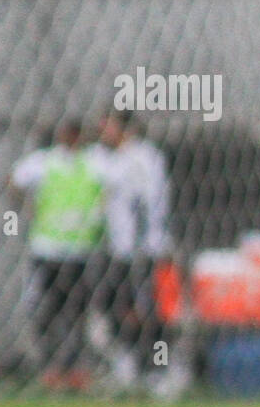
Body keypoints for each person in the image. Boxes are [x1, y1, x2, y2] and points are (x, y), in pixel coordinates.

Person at [10, 119, 107, 392]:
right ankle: (51, 367)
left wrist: (102, 210)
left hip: (81, 249)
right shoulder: (44, 161)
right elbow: (12, 180)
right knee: (47, 310)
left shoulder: (95, 161)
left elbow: (114, 185)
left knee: (77, 312)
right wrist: (26, 206)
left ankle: (75, 369)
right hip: (48, 248)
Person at [92, 111, 171, 392]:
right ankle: (129, 366)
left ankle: (159, 371)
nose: (103, 129)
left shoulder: (144, 157)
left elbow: (148, 203)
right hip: (118, 249)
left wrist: (142, 243)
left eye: (108, 124)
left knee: (149, 311)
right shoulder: (107, 158)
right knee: (113, 308)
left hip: (143, 250)